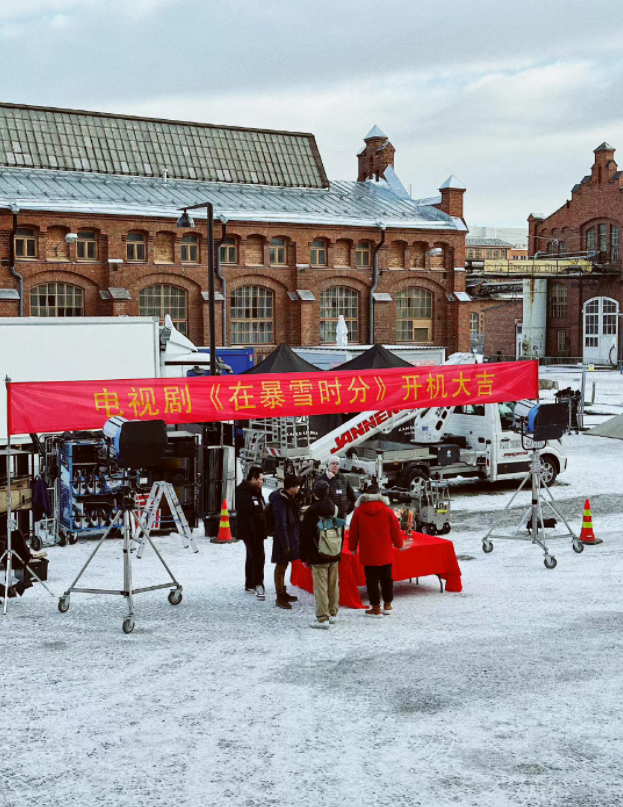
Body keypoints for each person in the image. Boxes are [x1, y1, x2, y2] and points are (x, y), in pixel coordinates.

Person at [348, 484, 403, 618]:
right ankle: (388, 604)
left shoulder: (359, 511)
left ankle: (376, 607)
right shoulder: (388, 511)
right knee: (387, 579)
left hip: (368, 552)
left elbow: (354, 532)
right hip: (385, 551)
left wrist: (352, 548)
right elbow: (395, 530)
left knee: (371, 581)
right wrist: (399, 544)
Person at [300, 479, 343, 629]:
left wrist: (304, 556)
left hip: (317, 553)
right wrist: (339, 551)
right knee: (333, 585)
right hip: (334, 552)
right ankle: (333, 614)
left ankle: (322, 617)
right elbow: (340, 532)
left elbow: (304, 536)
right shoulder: (336, 509)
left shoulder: (311, 512)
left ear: (314, 493)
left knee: (320, 586)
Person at [269, 474, 301, 610]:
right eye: (298, 486)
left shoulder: (288, 499)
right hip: (283, 539)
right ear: (292, 487)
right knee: (281, 566)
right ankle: (280, 595)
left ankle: (282, 591)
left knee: (284, 565)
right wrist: (286, 545)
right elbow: (281, 524)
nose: (299, 488)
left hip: (288, 537)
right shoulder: (281, 502)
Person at [235, 466, 267, 600]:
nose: (262, 482)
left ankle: (251, 583)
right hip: (251, 532)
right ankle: (258, 583)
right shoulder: (244, 493)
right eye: (260, 480)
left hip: (257, 531)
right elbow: (246, 517)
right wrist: (251, 534)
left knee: (253, 556)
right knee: (258, 557)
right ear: (253, 478)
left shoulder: (255, 490)